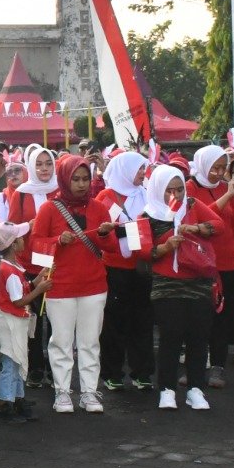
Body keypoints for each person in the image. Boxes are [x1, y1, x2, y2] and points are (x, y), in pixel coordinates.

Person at [33, 153, 119, 413]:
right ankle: (62, 392)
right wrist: (58, 241)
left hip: (94, 286)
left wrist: (104, 234)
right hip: (60, 287)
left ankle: (89, 392)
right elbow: (35, 249)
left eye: (85, 179)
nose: (82, 184)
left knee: (90, 342)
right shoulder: (49, 209)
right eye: (76, 179)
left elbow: (111, 248)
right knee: (61, 342)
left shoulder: (99, 208)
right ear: (64, 179)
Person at [143, 165, 219, 411]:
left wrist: (197, 228)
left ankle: (196, 388)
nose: (175, 195)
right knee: (171, 336)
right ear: (158, 189)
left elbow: (218, 225)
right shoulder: (147, 214)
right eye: (168, 190)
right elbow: (140, 252)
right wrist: (165, 247)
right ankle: (167, 389)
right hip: (167, 284)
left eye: (179, 189)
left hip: (197, 281)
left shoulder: (193, 204)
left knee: (198, 336)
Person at [187, 145, 234, 387]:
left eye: (223, 168)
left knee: (222, 318)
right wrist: (227, 196)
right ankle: (195, 367)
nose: (218, 173)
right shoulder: (189, 188)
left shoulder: (225, 188)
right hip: (200, 263)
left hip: (228, 263)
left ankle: (217, 367)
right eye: (215, 167)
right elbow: (200, 218)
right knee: (198, 318)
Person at [95, 151, 154, 392]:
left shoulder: (146, 193)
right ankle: (112, 373)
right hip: (115, 268)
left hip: (142, 267)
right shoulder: (106, 197)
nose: (142, 173)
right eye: (138, 169)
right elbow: (102, 231)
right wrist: (133, 229)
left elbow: (154, 224)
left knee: (142, 321)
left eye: (143, 168)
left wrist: (126, 229)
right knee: (114, 323)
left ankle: (142, 372)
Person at [8, 145, 58, 387]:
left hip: (57, 262)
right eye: (38, 164)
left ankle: (56, 368)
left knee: (57, 320)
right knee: (33, 320)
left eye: (48, 164)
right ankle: (36, 367)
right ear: (30, 166)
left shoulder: (60, 190)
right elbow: (10, 229)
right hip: (30, 263)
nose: (44, 169)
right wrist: (28, 225)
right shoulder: (21, 193)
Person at [0, 221, 50, 423]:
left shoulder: (12, 266)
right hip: (11, 320)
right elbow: (18, 301)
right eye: (20, 238)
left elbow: (23, 289)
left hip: (14, 320)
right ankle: (4, 404)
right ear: (13, 244)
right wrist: (39, 290)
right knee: (11, 363)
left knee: (16, 361)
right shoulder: (10, 270)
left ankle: (15, 399)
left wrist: (37, 279)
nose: (24, 239)